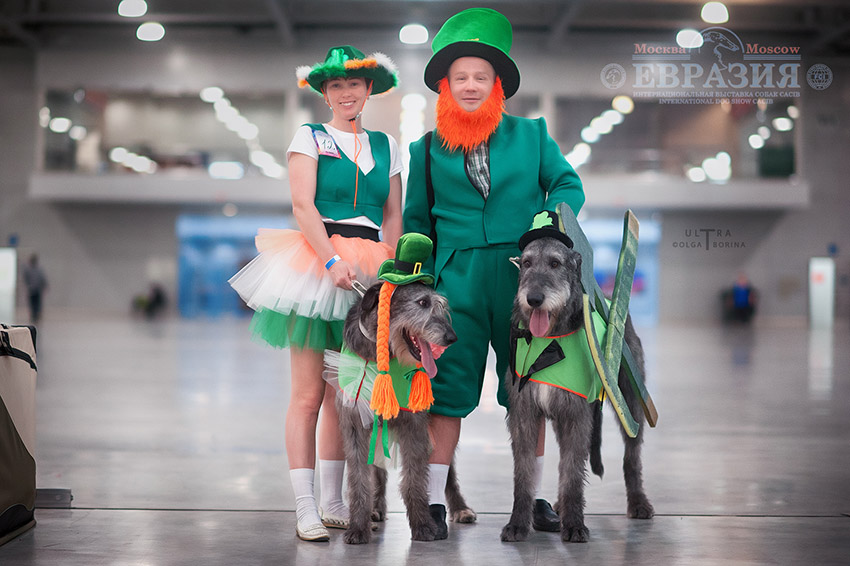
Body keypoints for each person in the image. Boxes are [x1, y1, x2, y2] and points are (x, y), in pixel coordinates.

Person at [402, 8, 585, 537]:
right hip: (454, 282)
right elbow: (416, 222)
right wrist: (418, 285)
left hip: (522, 279)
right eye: (460, 77)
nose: (471, 85)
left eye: (481, 76)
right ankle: (434, 502)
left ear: (498, 83)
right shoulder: (425, 149)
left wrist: (546, 225)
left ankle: (538, 501)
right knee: (446, 390)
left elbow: (567, 184)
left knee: (532, 384)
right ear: (444, 85)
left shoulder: (532, 135)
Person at [229, 45, 402, 542]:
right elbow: (302, 205)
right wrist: (329, 260)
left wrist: (388, 265)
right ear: (324, 93)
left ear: (369, 89)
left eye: (354, 84)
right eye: (336, 86)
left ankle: (333, 502)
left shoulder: (387, 144)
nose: (346, 93)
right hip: (315, 263)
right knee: (307, 395)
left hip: (369, 269)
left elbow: (393, 214)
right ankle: (304, 507)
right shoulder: (310, 137)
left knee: (343, 395)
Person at [23, 254, 48, 324]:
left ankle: (36, 316)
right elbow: (26, 278)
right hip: (31, 290)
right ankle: (33, 316)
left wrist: (45, 286)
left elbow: (43, 279)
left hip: (37, 290)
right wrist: (28, 285)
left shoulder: (39, 269)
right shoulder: (28, 269)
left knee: (37, 304)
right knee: (32, 304)